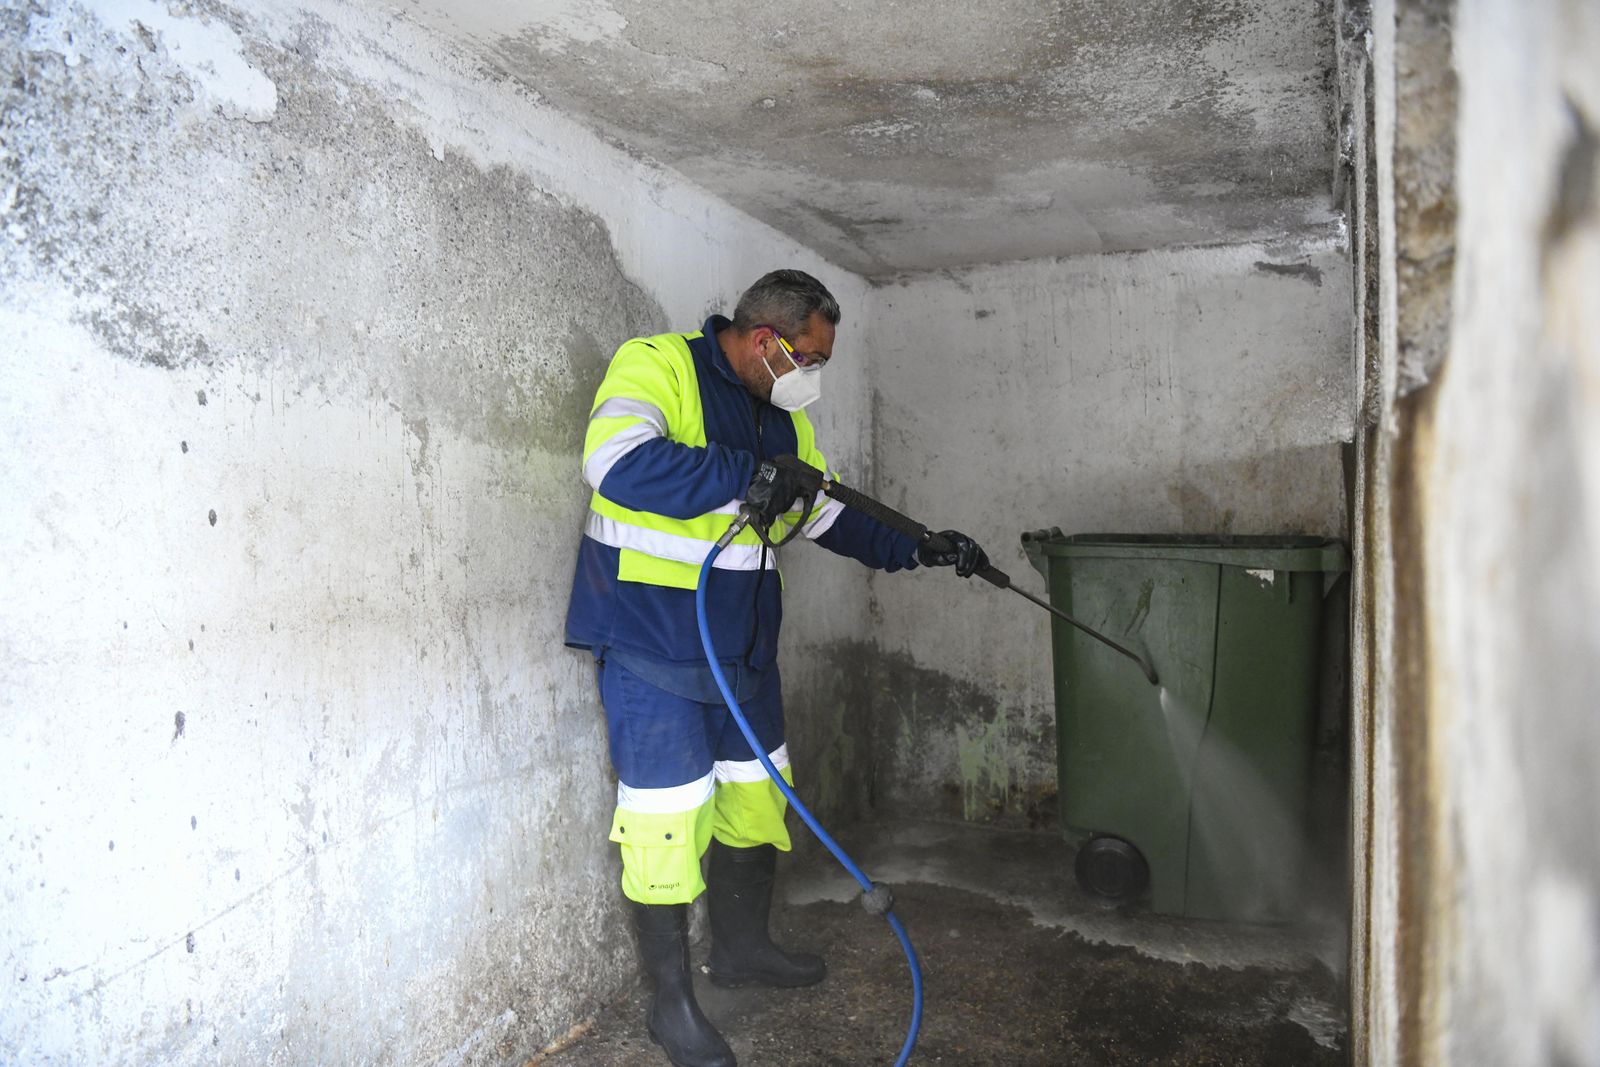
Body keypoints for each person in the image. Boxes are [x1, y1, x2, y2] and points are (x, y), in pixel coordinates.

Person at [564, 269, 987, 1066]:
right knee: (665, 823)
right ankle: (672, 1005)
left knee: (757, 803)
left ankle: (744, 947)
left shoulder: (783, 422)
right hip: (654, 643)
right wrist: (743, 474)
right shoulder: (658, 364)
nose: (814, 375)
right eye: (810, 358)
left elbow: (823, 512)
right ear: (765, 341)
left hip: (746, 651)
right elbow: (616, 463)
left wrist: (919, 545)